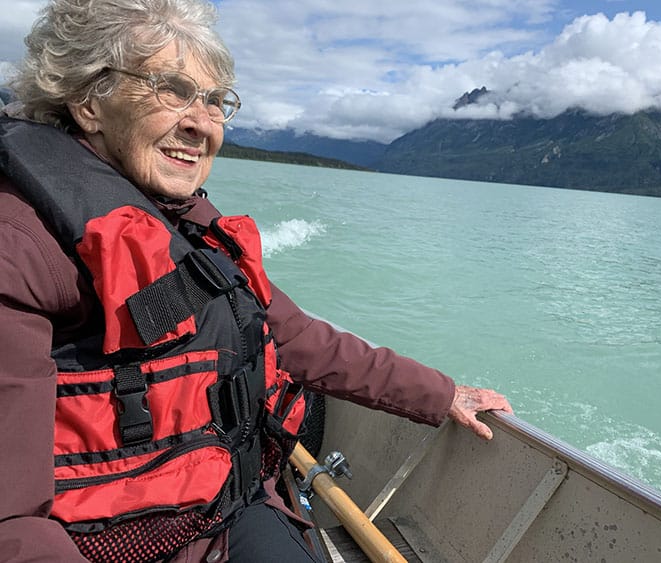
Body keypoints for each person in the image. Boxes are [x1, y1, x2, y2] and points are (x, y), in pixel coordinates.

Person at [0, 0, 513, 561]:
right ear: (88, 103)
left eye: (215, 101)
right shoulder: (20, 244)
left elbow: (294, 336)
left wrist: (441, 393)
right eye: (171, 90)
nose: (202, 124)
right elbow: (12, 523)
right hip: (108, 541)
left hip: (229, 507)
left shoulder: (185, 223)